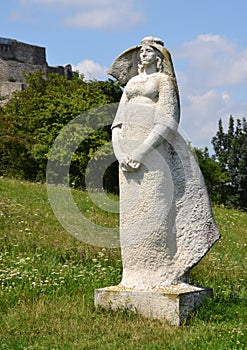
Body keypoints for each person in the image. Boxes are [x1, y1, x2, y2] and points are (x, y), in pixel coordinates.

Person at [110, 37, 220, 290]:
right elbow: (117, 122)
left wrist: (141, 151)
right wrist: (120, 151)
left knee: (155, 207)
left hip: (153, 150)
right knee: (130, 214)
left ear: (159, 57)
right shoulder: (131, 83)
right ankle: (132, 274)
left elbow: (168, 121)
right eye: (141, 52)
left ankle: (161, 271)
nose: (143, 55)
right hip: (126, 151)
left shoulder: (163, 81)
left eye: (149, 51)